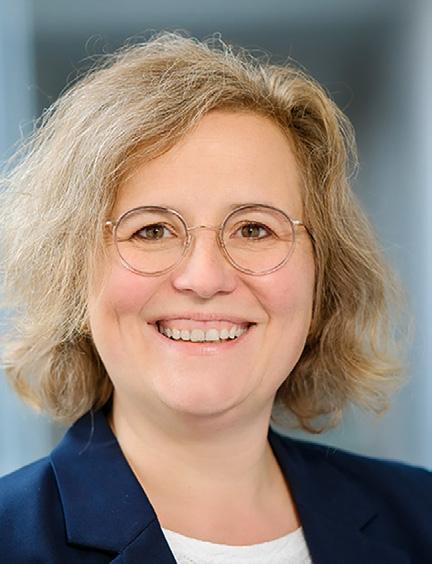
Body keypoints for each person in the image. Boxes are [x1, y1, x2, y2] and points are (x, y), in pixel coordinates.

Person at [0, 31, 430, 564]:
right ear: (71, 273)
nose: (204, 278)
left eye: (254, 229)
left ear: (324, 275)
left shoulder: (420, 516)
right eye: (151, 230)